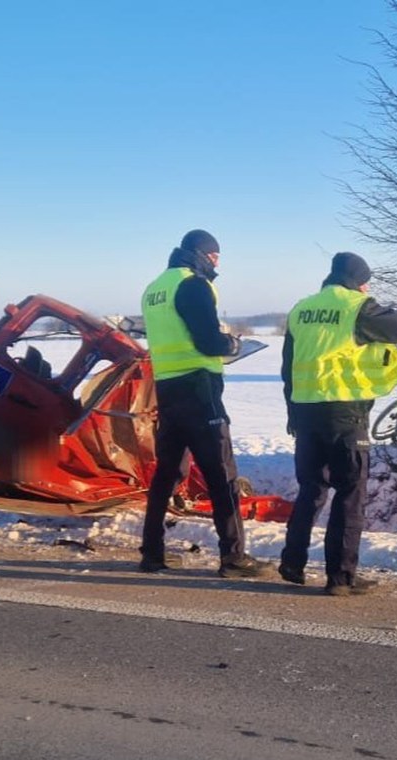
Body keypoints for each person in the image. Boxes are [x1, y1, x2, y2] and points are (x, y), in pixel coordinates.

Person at [279, 252, 397, 596]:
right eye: (366, 281)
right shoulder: (358, 308)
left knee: (311, 488)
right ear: (359, 280)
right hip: (344, 413)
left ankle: (292, 562)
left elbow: (288, 368)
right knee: (350, 493)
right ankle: (340, 577)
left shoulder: (301, 309)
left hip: (306, 413)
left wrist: (293, 415)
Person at [137, 229, 273, 578]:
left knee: (167, 473)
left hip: (167, 389)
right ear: (203, 254)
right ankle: (233, 557)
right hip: (199, 390)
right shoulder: (193, 285)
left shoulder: (154, 289)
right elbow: (208, 341)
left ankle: (151, 552)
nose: (216, 264)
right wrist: (230, 344)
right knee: (221, 474)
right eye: (215, 257)